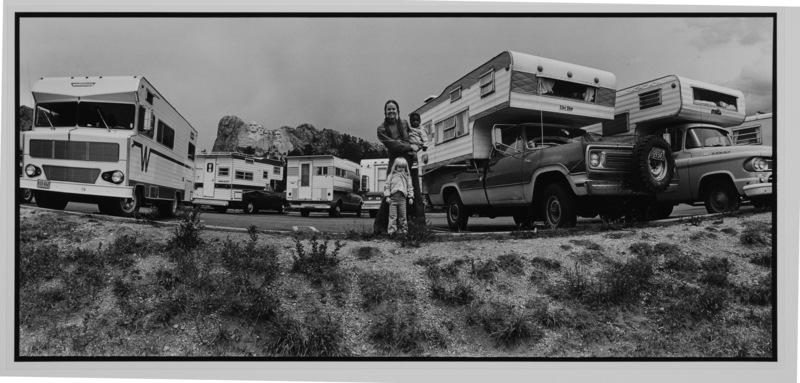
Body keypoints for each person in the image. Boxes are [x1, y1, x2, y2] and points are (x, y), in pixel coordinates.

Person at [373, 100, 425, 234]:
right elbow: (393, 145)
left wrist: (419, 144)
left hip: (410, 158)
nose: (391, 111)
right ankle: (382, 227)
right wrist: (409, 146)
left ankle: (416, 226)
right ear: (385, 112)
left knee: (413, 189)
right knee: (391, 189)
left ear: (398, 111)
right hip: (395, 160)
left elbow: (412, 137)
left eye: (393, 109)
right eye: (389, 109)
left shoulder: (404, 123)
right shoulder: (381, 129)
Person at [383, 157, 414, 235]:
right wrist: (387, 196)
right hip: (392, 199)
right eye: (399, 167)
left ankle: (403, 231)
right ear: (395, 166)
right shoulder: (391, 175)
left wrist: (410, 197)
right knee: (393, 216)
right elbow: (387, 186)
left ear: (405, 168)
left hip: (402, 199)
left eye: (403, 167)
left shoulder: (407, 176)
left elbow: (410, 187)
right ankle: (392, 232)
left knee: (403, 216)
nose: (401, 169)